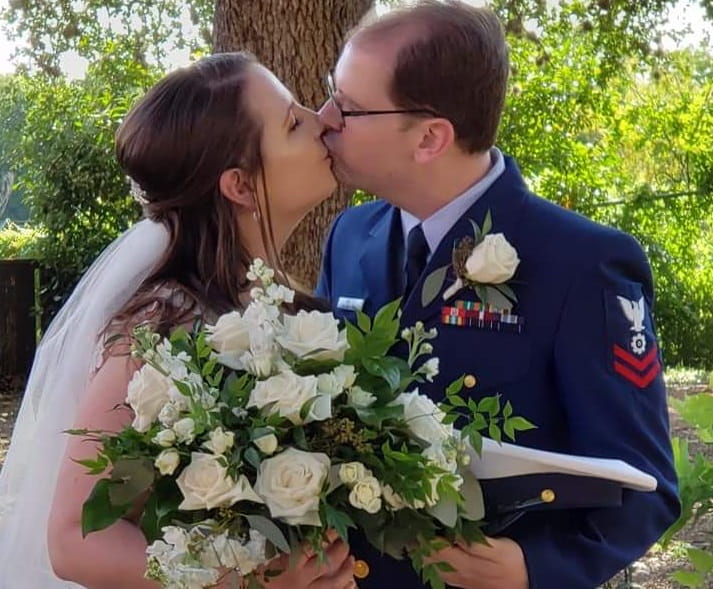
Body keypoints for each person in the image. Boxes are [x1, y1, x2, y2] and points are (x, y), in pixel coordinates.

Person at [316, 2, 680, 588]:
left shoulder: (581, 264)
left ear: (431, 137)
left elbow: (645, 486)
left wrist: (534, 570)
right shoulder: (350, 238)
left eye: (349, 108)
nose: (323, 118)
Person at [0, 52, 356, 589]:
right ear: (239, 185)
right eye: (293, 122)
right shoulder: (164, 327)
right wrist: (247, 584)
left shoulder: (291, 310)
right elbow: (75, 538)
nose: (323, 119)